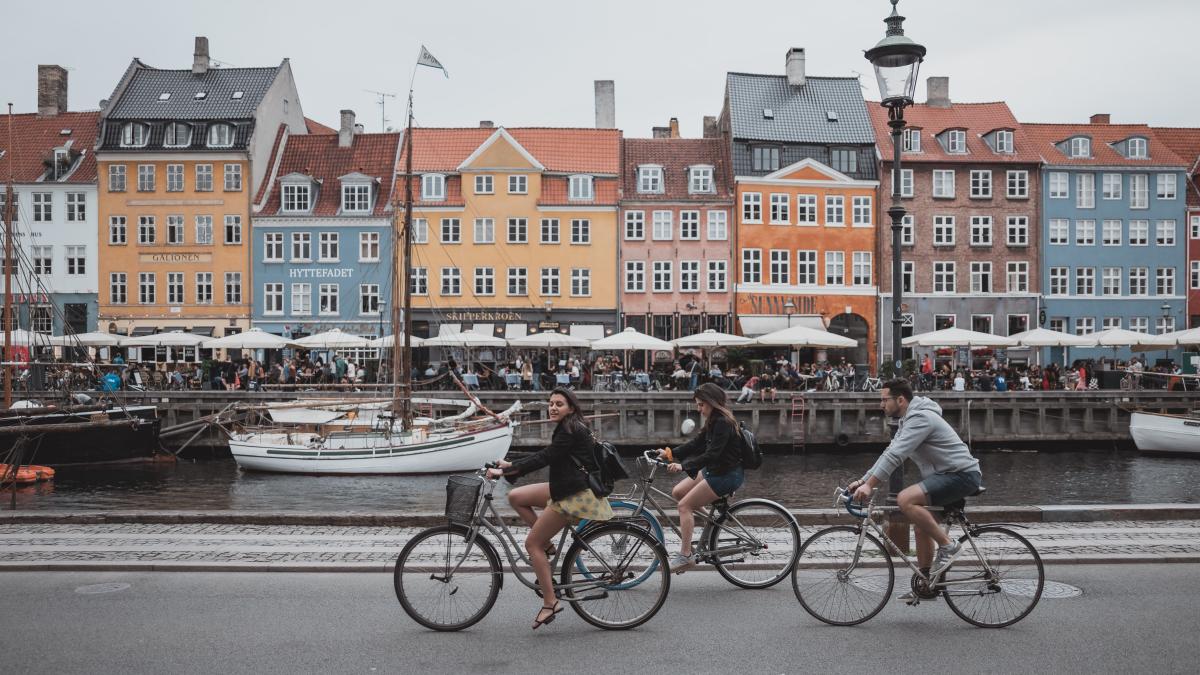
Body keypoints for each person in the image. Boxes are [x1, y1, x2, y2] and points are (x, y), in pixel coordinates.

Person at [487, 388, 612, 629]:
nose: (553, 407)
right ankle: (548, 545)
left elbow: (545, 457)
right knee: (516, 496)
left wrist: (505, 470)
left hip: (574, 494)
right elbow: (548, 455)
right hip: (566, 485)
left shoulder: (569, 429)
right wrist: (512, 464)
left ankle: (550, 602)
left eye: (559, 404)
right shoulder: (570, 425)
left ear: (571, 408)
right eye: (551, 403)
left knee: (531, 544)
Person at [848, 379, 982, 603]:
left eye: (884, 399)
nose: (881, 404)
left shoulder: (920, 418)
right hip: (947, 476)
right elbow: (889, 452)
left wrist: (870, 485)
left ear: (900, 400)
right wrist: (863, 480)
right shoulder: (907, 421)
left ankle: (949, 547)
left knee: (905, 499)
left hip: (961, 475)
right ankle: (927, 584)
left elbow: (896, 456)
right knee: (922, 527)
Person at [656, 382, 744, 573]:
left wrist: (683, 466)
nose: (698, 409)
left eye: (701, 405)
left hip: (727, 475)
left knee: (684, 506)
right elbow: (696, 444)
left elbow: (712, 454)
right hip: (715, 470)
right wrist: (670, 453)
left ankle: (686, 556)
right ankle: (712, 524)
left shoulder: (723, 423)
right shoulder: (713, 420)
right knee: (678, 491)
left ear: (712, 403)